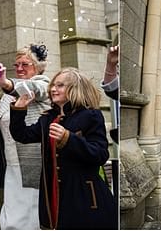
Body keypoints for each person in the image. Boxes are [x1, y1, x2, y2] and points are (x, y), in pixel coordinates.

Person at [10, 67, 117, 229]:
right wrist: (19, 109)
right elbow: (22, 135)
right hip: (52, 191)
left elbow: (100, 154)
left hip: (83, 194)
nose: (53, 89)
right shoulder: (48, 117)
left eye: (60, 85)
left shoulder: (90, 115)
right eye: (53, 85)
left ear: (75, 89)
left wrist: (69, 139)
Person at [0, 44, 51, 230]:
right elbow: (3, 120)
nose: (19, 69)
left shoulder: (44, 84)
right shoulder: (8, 95)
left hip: (32, 161)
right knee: (12, 211)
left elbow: (30, 90)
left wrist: (6, 83)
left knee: (30, 213)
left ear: (38, 67)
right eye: (16, 65)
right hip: (10, 160)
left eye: (25, 64)